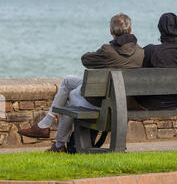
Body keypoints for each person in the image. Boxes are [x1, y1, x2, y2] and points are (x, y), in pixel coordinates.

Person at [19, 14, 144, 152]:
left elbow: (86, 60)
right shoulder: (140, 52)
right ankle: (45, 125)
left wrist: (102, 54)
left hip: (101, 104)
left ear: (111, 31)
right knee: (68, 81)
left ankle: (58, 144)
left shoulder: (107, 50)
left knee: (69, 97)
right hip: (122, 103)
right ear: (131, 30)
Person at [135, 13, 177, 110]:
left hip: (149, 103)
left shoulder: (150, 51)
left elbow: (137, 77)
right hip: (175, 103)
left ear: (160, 29)